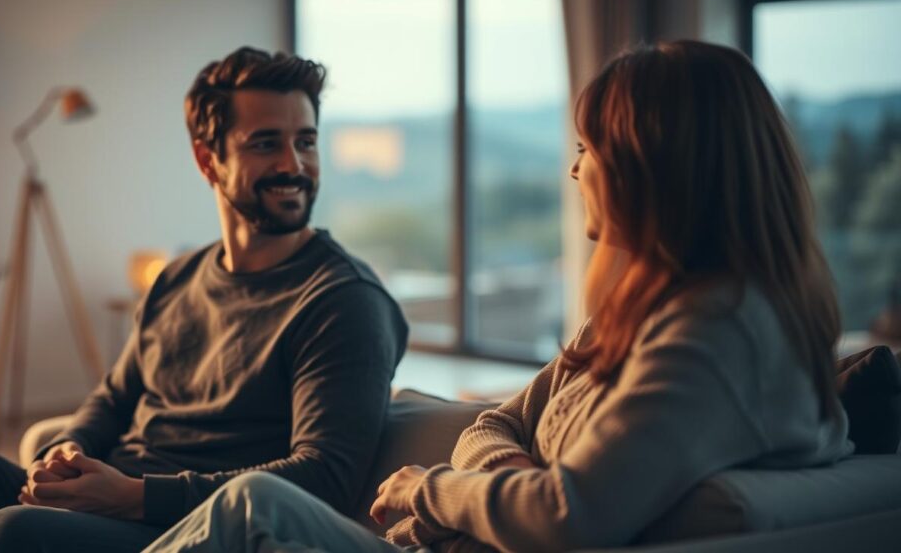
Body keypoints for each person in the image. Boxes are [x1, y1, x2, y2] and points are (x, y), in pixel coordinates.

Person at [139, 40, 854, 553]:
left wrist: (431, 488)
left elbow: (567, 512)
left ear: (655, 168)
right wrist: (508, 475)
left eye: (589, 149)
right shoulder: (637, 318)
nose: (575, 171)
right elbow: (490, 423)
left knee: (254, 504)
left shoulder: (714, 338)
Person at [0, 47, 408, 553]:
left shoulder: (343, 302)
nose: (294, 164)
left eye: (306, 142)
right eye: (266, 143)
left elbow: (324, 476)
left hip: (185, 533)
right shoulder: (177, 278)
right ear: (208, 161)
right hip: (108, 501)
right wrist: (65, 453)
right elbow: (113, 397)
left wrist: (134, 497)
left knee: (13, 536)